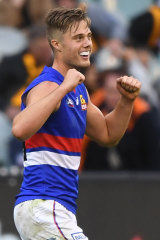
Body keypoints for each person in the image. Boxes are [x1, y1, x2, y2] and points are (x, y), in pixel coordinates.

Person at [12, 7, 141, 240]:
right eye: (78, 38)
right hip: (43, 205)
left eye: (89, 36)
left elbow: (108, 134)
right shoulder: (49, 85)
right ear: (57, 44)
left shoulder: (78, 90)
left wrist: (126, 101)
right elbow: (19, 128)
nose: (87, 44)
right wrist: (63, 88)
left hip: (55, 209)